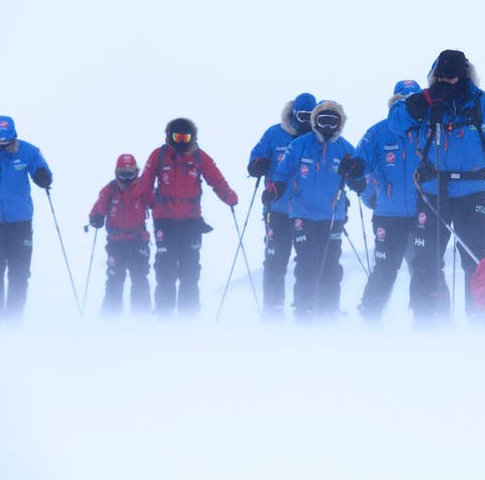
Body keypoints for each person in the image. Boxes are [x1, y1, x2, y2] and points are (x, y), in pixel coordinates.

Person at [388, 49, 485, 325]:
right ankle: (428, 324)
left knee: (476, 260)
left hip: (472, 192)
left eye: (451, 77)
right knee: (426, 260)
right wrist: (422, 100)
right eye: (440, 76)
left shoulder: (481, 103)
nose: (445, 81)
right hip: (432, 193)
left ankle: (479, 321)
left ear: (463, 76)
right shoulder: (424, 103)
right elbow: (395, 123)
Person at [269, 100, 359, 321]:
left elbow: (360, 177)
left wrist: (357, 176)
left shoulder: (346, 149)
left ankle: (328, 311)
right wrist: (276, 188)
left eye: (332, 121)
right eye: (322, 120)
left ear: (340, 123)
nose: (327, 126)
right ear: (314, 122)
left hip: (332, 216)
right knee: (307, 261)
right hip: (302, 214)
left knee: (330, 262)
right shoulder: (300, 145)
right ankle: (304, 308)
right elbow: (283, 172)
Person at [139, 118, 238, 317]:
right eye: (177, 137)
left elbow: (216, 179)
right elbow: (144, 185)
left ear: (192, 136)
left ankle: (189, 314)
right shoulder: (158, 156)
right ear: (169, 136)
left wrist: (229, 197)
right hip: (164, 222)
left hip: (191, 222)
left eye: (186, 137)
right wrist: (153, 205)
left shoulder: (199, 157)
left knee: (190, 269)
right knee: (165, 269)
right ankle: (164, 314)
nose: (182, 141)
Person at [344, 80, 422, 322]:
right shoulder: (378, 132)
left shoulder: (430, 130)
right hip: (388, 215)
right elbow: (360, 163)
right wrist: (357, 176)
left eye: (413, 101)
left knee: (425, 268)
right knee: (386, 268)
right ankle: (370, 314)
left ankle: (430, 316)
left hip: (425, 211)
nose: (407, 106)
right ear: (395, 103)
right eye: (402, 101)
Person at [248, 93, 317, 317]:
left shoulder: (318, 138)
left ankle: (304, 305)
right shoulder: (274, 134)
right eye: (301, 115)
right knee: (275, 259)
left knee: (307, 261)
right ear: (293, 113)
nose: (305, 120)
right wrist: (257, 165)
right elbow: (254, 158)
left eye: (310, 115)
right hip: (276, 209)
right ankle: (273, 306)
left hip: (306, 212)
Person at [0, 116, 52, 324]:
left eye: (6, 142)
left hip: (21, 224)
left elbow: (40, 166)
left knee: (19, 272)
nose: (3, 146)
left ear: (14, 138)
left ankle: (14, 321)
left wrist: (43, 175)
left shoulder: (27, 151)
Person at [88, 154, 155, 315]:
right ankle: (110, 319)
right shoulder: (109, 190)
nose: (126, 179)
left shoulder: (143, 189)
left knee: (139, 278)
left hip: (138, 241)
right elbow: (97, 210)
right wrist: (96, 218)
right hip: (115, 243)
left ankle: (142, 317)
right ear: (117, 173)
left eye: (130, 174)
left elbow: (157, 206)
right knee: (114, 279)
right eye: (123, 174)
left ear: (136, 173)